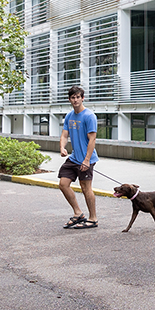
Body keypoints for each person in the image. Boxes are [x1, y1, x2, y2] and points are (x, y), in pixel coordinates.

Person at [58, 86, 99, 230]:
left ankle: (93, 218)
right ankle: (78, 213)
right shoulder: (69, 116)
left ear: (82, 98)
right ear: (70, 99)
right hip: (74, 158)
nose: (75, 100)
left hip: (87, 159)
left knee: (86, 188)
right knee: (63, 184)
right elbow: (64, 135)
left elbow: (92, 140)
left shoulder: (89, 116)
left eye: (78, 97)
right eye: (72, 97)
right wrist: (63, 147)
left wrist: (87, 160)